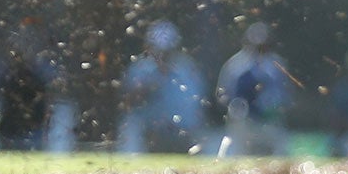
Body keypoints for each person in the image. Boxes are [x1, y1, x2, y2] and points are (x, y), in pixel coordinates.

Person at [118, 21, 206, 154]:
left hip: (181, 132)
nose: (162, 56)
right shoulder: (141, 69)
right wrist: (148, 88)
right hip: (146, 130)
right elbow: (128, 104)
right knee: (131, 127)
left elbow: (195, 105)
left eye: (167, 51)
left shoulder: (186, 69)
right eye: (158, 51)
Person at [215, 22, 291, 156]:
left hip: (270, 121)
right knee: (240, 155)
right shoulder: (235, 65)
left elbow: (285, 95)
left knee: (279, 152)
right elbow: (223, 93)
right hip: (244, 122)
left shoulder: (276, 65)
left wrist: (274, 108)